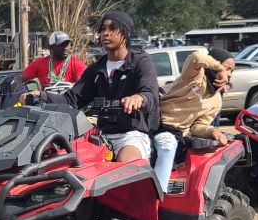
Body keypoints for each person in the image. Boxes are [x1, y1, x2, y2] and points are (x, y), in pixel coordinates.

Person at [25, 11, 160, 163]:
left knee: (124, 165)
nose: (105, 33)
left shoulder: (140, 62)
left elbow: (151, 95)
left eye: (112, 29)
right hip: (100, 137)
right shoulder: (95, 69)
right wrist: (40, 95)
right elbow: (71, 100)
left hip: (131, 136)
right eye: (103, 29)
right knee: (69, 164)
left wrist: (139, 98)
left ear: (125, 33)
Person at [151, 49, 232, 186]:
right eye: (227, 68)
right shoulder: (194, 75)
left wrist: (212, 131)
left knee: (168, 145)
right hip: (155, 123)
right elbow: (195, 57)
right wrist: (220, 68)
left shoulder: (216, 100)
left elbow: (197, 127)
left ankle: (156, 196)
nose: (228, 74)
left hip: (174, 134)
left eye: (231, 71)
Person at [22, 31, 87, 88]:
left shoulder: (77, 64)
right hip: (47, 101)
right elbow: (20, 79)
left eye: (67, 44)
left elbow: (82, 85)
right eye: (61, 44)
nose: (65, 47)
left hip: (68, 101)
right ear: (51, 47)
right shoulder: (39, 63)